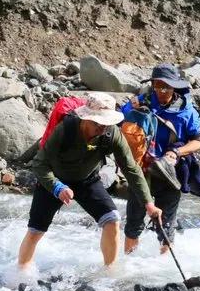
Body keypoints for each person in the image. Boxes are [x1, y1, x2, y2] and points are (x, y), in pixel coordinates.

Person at [18, 92, 162, 269]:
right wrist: (57, 187)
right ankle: (21, 274)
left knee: (112, 219)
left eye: (106, 123)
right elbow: (39, 164)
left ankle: (110, 272)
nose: (102, 128)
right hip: (53, 181)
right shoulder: (65, 130)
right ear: (85, 118)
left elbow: (131, 168)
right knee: (35, 231)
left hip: (87, 181)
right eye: (97, 123)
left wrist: (148, 203)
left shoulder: (112, 134)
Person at [121, 64, 200, 255]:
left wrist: (176, 152)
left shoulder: (187, 111)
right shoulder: (140, 102)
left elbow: (198, 142)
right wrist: (131, 111)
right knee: (133, 221)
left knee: (166, 225)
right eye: (157, 86)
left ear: (175, 86)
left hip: (170, 172)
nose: (161, 91)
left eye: (166, 86)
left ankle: (164, 265)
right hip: (141, 170)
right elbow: (119, 124)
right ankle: (128, 267)